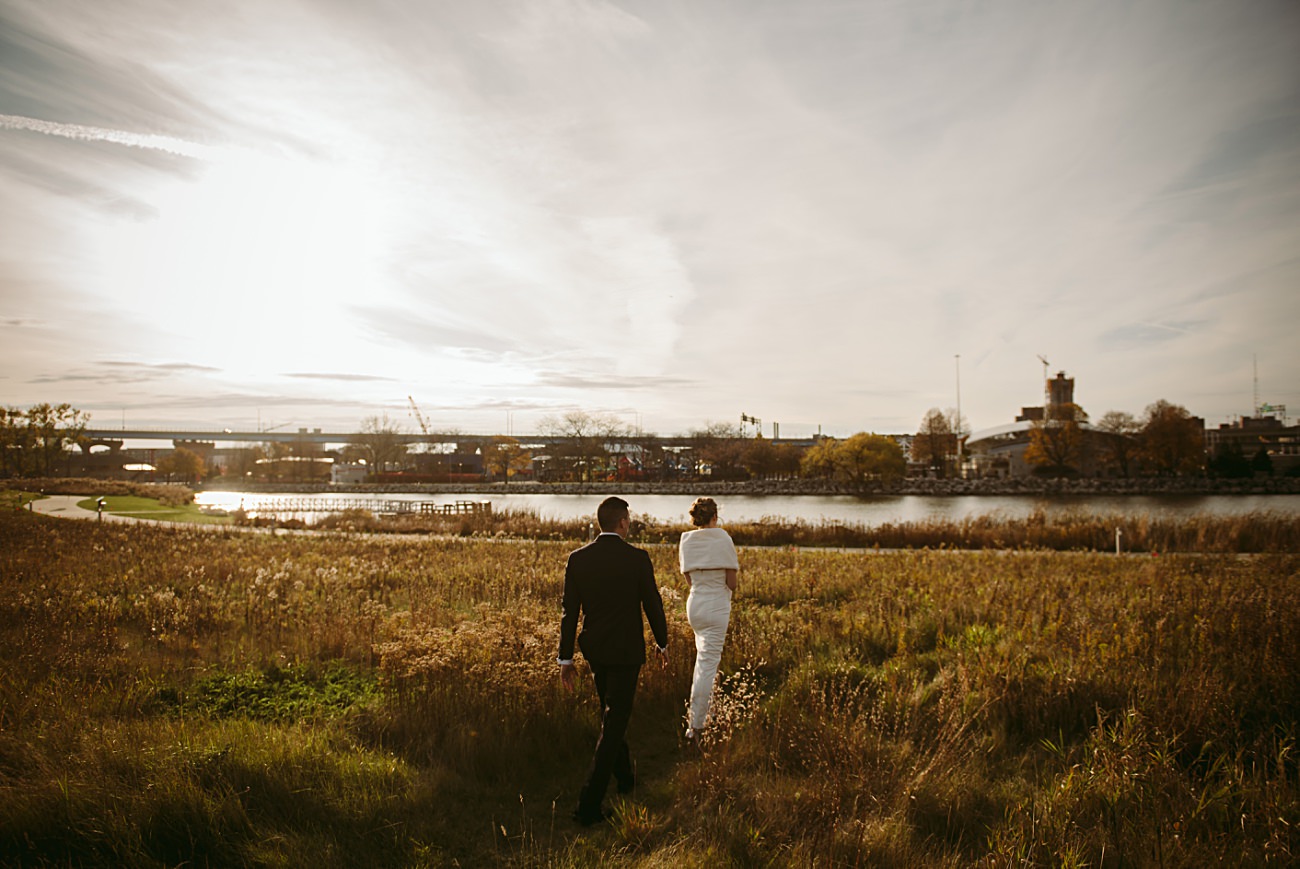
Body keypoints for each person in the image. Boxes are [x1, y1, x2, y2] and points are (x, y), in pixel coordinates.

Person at [558, 496, 669, 826]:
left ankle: (625, 779)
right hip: (626, 651)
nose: (629, 524)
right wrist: (662, 643)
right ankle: (588, 806)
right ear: (622, 523)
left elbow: (569, 613)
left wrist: (565, 658)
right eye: (628, 520)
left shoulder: (578, 559)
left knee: (611, 713)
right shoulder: (637, 558)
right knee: (614, 721)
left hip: (596, 650)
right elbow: (653, 604)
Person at [677, 497, 740, 740]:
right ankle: (696, 726)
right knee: (706, 665)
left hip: (695, 604)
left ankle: (708, 713)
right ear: (715, 516)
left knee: (704, 662)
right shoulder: (723, 538)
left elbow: (689, 580)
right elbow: (732, 583)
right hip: (716, 605)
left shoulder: (686, 540)